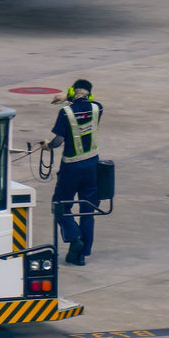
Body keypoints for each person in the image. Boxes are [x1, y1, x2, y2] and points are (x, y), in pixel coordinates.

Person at [47, 79, 103, 266]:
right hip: (92, 167)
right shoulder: (97, 109)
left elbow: (58, 141)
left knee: (60, 205)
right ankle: (81, 254)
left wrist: (47, 146)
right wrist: (70, 96)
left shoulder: (65, 113)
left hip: (71, 167)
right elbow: (88, 102)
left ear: (72, 91)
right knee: (88, 211)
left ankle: (74, 238)